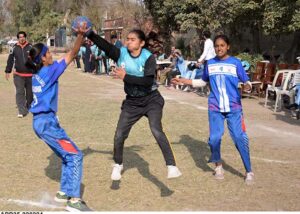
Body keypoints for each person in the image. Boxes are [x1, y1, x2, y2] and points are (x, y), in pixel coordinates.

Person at [86, 29, 182, 180]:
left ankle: (171, 166)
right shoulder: (122, 54)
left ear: (141, 43)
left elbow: (147, 81)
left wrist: (125, 77)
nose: (128, 42)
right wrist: (89, 33)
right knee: (119, 134)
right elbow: (105, 46)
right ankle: (118, 164)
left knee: (156, 129)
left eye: (132, 39)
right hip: (132, 102)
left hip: (151, 100)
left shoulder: (148, 57)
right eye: (127, 39)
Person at [25, 23, 91, 211]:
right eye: (48, 53)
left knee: (66, 155)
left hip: (42, 122)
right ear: (43, 59)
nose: (51, 55)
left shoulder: (36, 73)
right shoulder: (50, 71)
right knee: (75, 155)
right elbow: (73, 53)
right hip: (47, 123)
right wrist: (80, 35)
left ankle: (64, 192)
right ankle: (74, 201)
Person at [172, 35, 254, 183]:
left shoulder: (235, 63)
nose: (219, 48)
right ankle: (218, 166)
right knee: (214, 139)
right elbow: (203, 82)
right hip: (215, 107)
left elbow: (246, 81)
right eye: (216, 46)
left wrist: (248, 86)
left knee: (239, 138)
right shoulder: (210, 63)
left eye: (222, 45)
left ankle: (249, 171)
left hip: (234, 108)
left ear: (227, 46)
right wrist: (185, 81)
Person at [5, 31, 33, 118]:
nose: (22, 38)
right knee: (20, 92)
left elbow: (37, 59)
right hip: (18, 75)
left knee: (30, 95)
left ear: (25, 37)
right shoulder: (14, 48)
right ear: (18, 38)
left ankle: (29, 107)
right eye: (20, 37)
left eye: (23, 36)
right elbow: (10, 60)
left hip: (30, 75)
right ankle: (21, 111)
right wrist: (7, 71)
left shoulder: (31, 47)